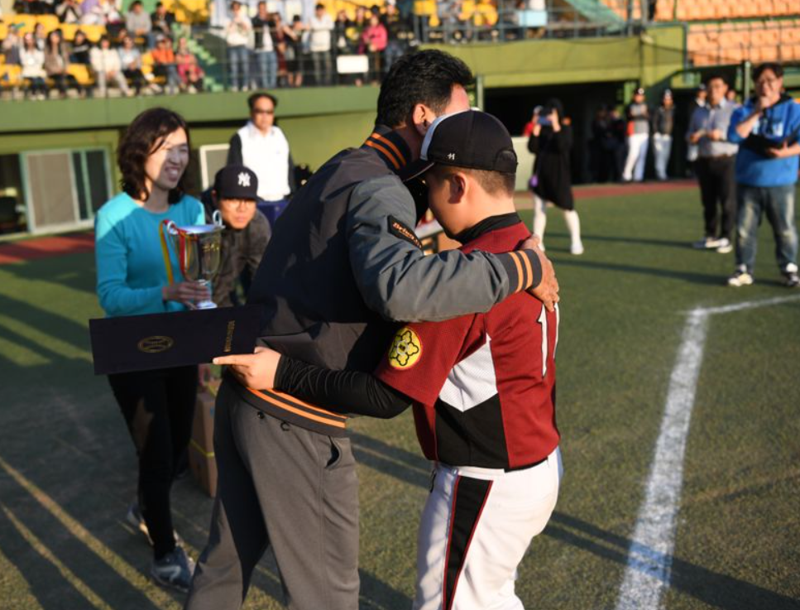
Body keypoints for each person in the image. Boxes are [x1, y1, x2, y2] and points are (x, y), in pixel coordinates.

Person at [184, 49, 558, 610]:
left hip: (250, 392)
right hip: (291, 410)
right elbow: (404, 287)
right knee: (329, 598)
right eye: (457, 117)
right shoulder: (380, 185)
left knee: (224, 569)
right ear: (424, 120)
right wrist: (519, 265)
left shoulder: (344, 165)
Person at [94, 108, 208, 592]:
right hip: (134, 355)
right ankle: (165, 554)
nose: (178, 158)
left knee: (179, 450)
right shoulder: (113, 216)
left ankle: (146, 505)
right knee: (157, 454)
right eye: (168, 148)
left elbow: (201, 284)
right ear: (140, 151)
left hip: (182, 347)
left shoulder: (193, 212)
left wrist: (207, 338)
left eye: (184, 149)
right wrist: (163, 292)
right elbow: (111, 296)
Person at [726, 62, 800, 288]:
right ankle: (744, 269)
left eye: (770, 80)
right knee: (744, 230)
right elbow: (734, 136)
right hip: (748, 180)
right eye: (759, 81)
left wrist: (784, 153)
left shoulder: (793, 109)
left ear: (780, 83)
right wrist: (758, 111)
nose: (765, 86)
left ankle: (788, 268)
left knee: (785, 229)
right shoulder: (743, 110)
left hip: (781, 181)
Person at [200, 164, 272, 307]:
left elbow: (262, 281)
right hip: (183, 304)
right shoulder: (196, 221)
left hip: (224, 298)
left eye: (250, 200)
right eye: (233, 199)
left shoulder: (257, 224)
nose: (242, 208)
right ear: (215, 197)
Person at [686, 74, 738, 254]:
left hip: (726, 159)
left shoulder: (734, 109)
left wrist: (721, 135)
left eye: (717, 86)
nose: (713, 90)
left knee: (727, 201)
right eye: (710, 87)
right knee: (708, 201)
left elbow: (740, 134)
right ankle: (710, 235)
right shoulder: (699, 111)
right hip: (704, 160)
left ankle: (726, 237)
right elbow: (689, 133)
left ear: (725, 88)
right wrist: (692, 138)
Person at [227, 92, 295, 225]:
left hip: (283, 203)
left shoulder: (279, 135)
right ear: (251, 112)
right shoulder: (240, 137)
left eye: (269, 112)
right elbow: (234, 172)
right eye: (260, 111)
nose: (265, 116)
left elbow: (289, 167)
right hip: (256, 206)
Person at [528, 97, 584, 255]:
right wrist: (537, 126)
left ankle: (576, 241)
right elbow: (532, 148)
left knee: (568, 208)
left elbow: (562, 146)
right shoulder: (542, 130)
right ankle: (538, 243)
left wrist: (555, 124)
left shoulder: (565, 129)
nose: (549, 115)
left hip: (560, 176)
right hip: (541, 177)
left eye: (552, 112)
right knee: (539, 210)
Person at [44, 29, 83, 98]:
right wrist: (57, 70)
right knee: (60, 78)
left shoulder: (62, 48)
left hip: (62, 71)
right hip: (53, 72)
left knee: (72, 77)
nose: (55, 39)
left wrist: (64, 69)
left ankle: (81, 93)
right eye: (53, 37)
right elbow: (47, 63)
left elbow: (66, 60)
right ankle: (63, 93)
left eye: (56, 37)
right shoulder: (47, 49)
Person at [622, 86, 649, 182]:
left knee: (642, 155)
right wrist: (640, 114)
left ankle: (638, 176)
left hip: (644, 133)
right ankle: (626, 175)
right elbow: (630, 116)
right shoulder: (630, 106)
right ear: (634, 96)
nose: (639, 97)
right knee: (633, 154)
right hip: (633, 133)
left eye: (641, 95)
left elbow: (648, 116)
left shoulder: (646, 105)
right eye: (637, 95)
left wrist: (639, 115)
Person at [224, 0, 252, 91]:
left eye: (237, 8)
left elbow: (248, 30)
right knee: (233, 67)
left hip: (242, 45)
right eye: (233, 8)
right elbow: (226, 31)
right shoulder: (227, 19)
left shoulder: (245, 18)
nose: (235, 10)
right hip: (232, 46)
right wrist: (233, 21)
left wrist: (240, 22)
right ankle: (234, 86)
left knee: (244, 67)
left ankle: (244, 85)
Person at [251, 1, 277, 88]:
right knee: (263, 70)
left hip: (271, 48)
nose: (262, 10)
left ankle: (272, 86)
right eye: (261, 8)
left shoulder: (270, 19)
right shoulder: (255, 19)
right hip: (261, 49)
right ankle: (265, 87)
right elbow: (257, 24)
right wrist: (263, 18)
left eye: (264, 8)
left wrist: (269, 18)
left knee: (273, 69)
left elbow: (274, 27)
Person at [652, 89, 674, 181]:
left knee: (666, 155)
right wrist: (655, 132)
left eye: (668, 99)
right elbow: (654, 122)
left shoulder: (673, 109)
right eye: (665, 98)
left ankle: (663, 172)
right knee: (659, 155)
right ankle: (660, 174)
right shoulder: (658, 109)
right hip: (659, 135)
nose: (667, 101)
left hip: (667, 136)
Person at [309, 3, 333, 85]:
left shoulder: (328, 17)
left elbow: (331, 26)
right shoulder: (312, 18)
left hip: (325, 46)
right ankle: (318, 83)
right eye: (318, 10)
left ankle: (327, 82)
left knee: (327, 65)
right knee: (317, 66)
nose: (319, 12)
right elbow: (313, 27)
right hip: (315, 47)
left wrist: (318, 28)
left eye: (321, 10)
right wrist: (323, 27)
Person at [685, 83, 707, 176]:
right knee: (692, 154)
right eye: (700, 91)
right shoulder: (692, 104)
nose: (702, 93)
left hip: (705, 133)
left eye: (703, 91)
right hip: (695, 131)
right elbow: (690, 119)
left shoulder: (707, 104)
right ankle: (690, 172)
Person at [20, 32, 48, 100]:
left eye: (30, 39)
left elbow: (41, 61)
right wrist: (33, 63)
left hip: (37, 70)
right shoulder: (22, 50)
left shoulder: (39, 51)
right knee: (34, 80)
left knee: (40, 79)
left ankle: (42, 93)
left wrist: (32, 63)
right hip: (27, 71)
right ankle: (33, 93)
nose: (29, 41)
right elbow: (24, 62)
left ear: (34, 40)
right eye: (27, 40)